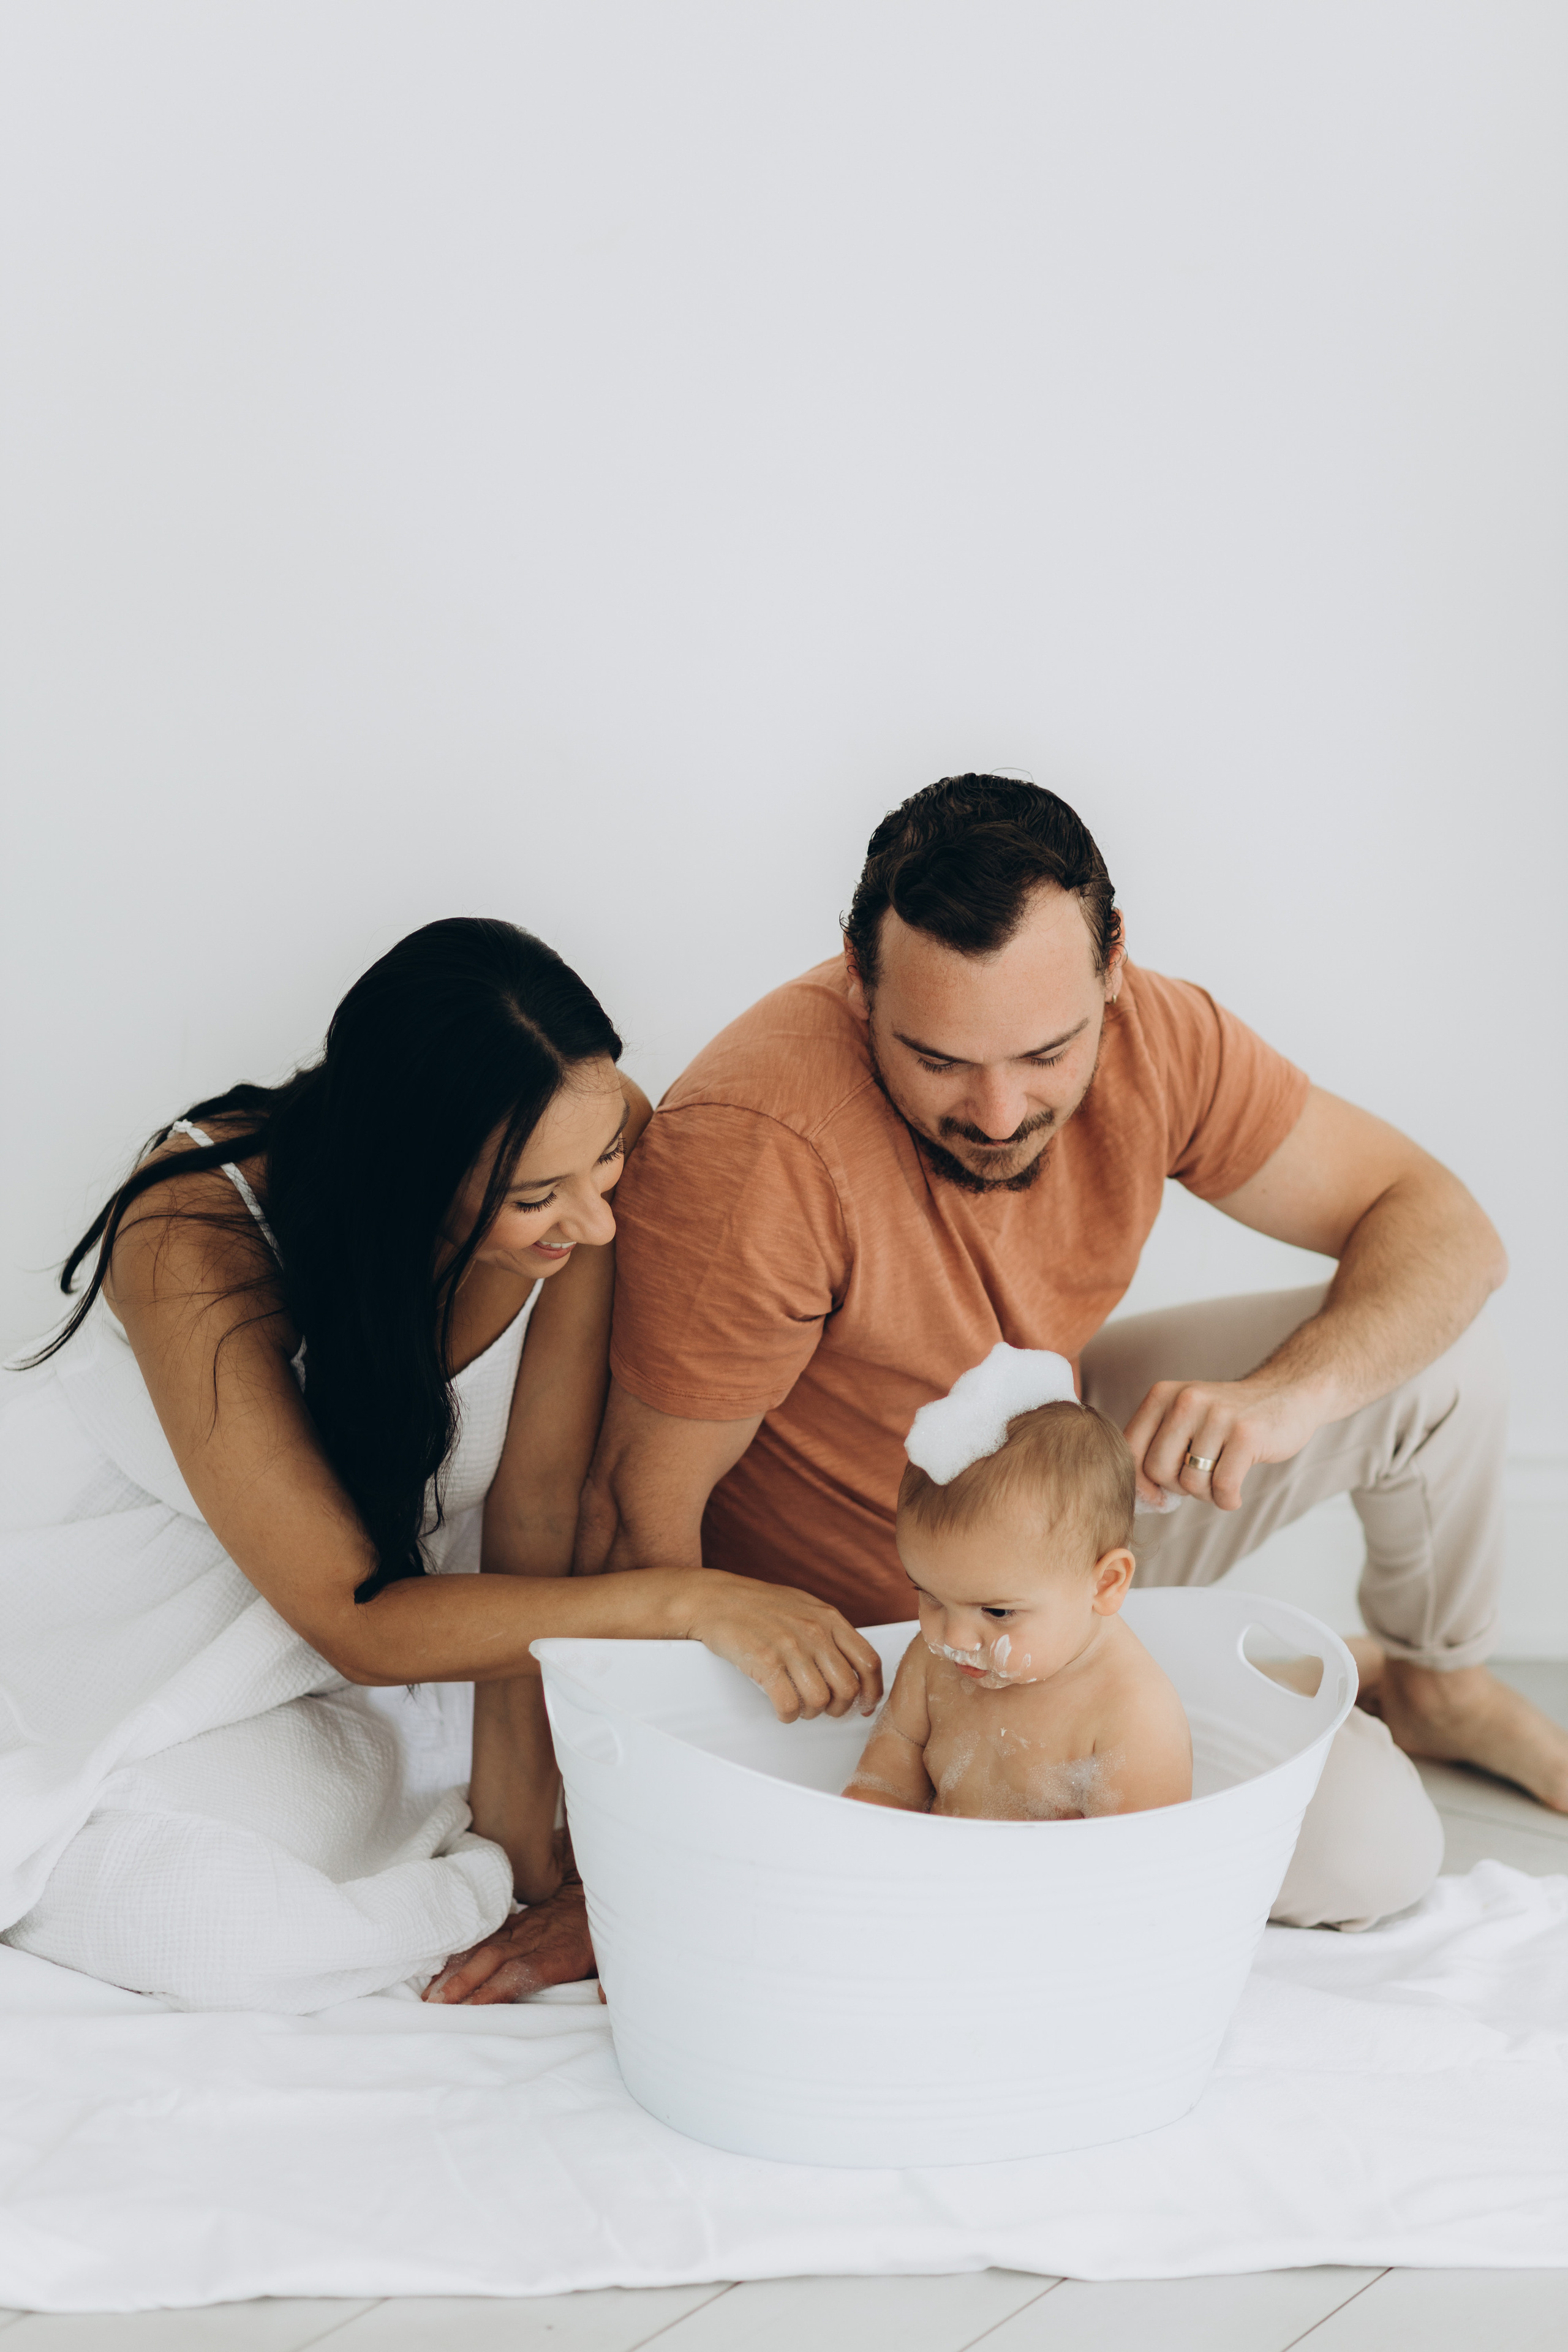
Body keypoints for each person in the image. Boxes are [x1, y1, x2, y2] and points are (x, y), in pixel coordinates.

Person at [581, 774, 1567, 1929]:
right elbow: (635, 1515)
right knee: (1369, 1855)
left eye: (1048, 1052)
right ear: (858, 984)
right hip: (909, 1620)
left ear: (1114, 972)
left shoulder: (1160, 1034)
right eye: (939, 1059)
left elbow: (1443, 1223)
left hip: (1067, 1500)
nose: (999, 1114)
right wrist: (616, 1842)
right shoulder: (759, 1149)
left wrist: (1291, 1397)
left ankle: (1439, 1686)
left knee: (1438, 1363)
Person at [0, 918, 880, 2011]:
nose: (601, 1220)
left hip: (315, 1666)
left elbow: (538, 1504)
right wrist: (690, 1602)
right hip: (101, 1630)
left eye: (605, 1162)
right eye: (535, 1199)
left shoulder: (577, 1132)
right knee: (210, 1924)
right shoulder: (194, 1230)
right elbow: (359, 1618)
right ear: (407, 1174)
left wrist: (517, 1847)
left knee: (359, 1857)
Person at [843, 1347, 1193, 1822]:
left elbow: (1134, 1875)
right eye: (929, 1596)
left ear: (1105, 1584)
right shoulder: (933, 1664)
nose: (954, 1639)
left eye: (998, 1612)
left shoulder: (1131, 1715)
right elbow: (881, 1795)